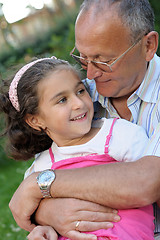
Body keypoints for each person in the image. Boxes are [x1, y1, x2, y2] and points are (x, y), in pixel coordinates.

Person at [8, 0, 160, 239]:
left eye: (103, 60)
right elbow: (22, 207)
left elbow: (149, 183)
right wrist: (46, 213)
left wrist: (39, 185)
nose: (90, 75)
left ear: (148, 45)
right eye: (83, 58)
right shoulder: (85, 92)